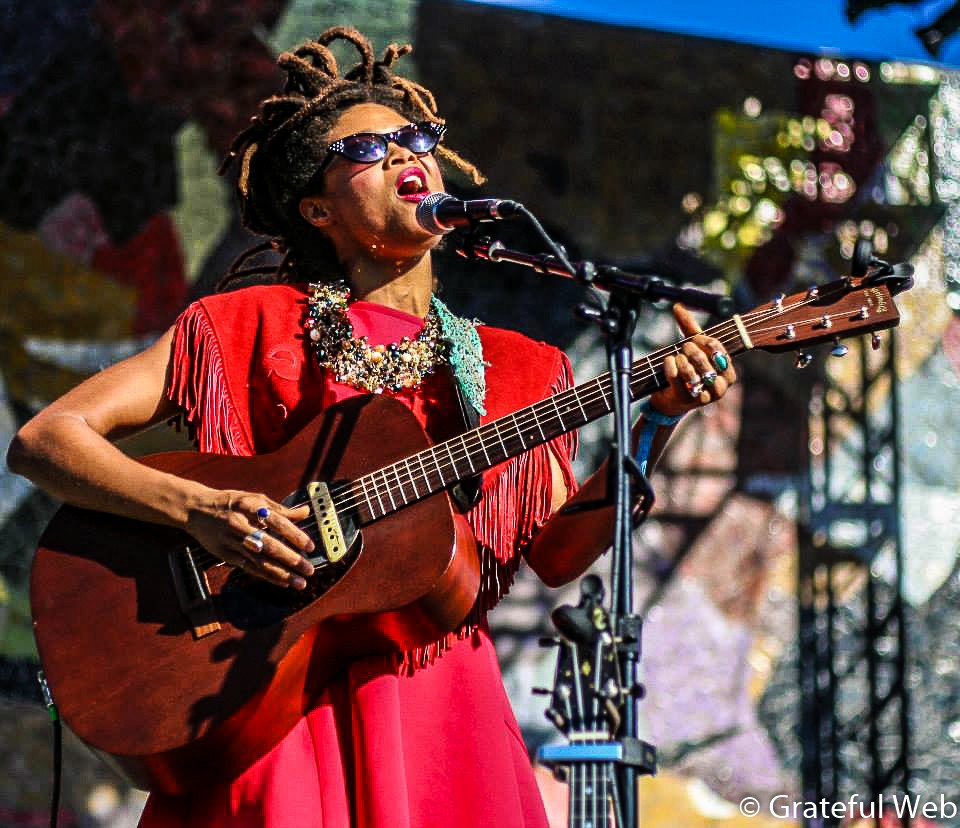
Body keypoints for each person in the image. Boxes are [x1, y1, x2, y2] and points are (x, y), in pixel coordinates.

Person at [7, 26, 736, 828]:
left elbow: (560, 554)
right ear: (317, 208)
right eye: (369, 149)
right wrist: (201, 512)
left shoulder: (520, 368)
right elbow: (48, 438)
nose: (401, 153)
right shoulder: (247, 324)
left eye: (414, 137)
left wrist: (654, 425)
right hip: (264, 693)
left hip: (437, 705)